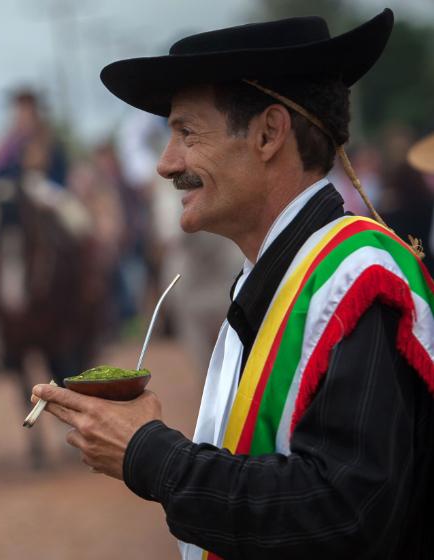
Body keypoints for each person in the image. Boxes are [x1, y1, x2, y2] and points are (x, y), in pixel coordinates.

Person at [32, 9, 434, 558]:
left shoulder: (360, 281)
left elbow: (344, 514)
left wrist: (150, 454)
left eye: (186, 133)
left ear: (268, 133)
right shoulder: (275, 278)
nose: (165, 164)